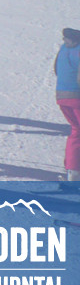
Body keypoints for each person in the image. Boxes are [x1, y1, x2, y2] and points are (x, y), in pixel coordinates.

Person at [56, 28, 80, 181]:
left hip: (62, 96)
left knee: (76, 131)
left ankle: (73, 173)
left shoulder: (63, 48)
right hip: (77, 96)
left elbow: (56, 70)